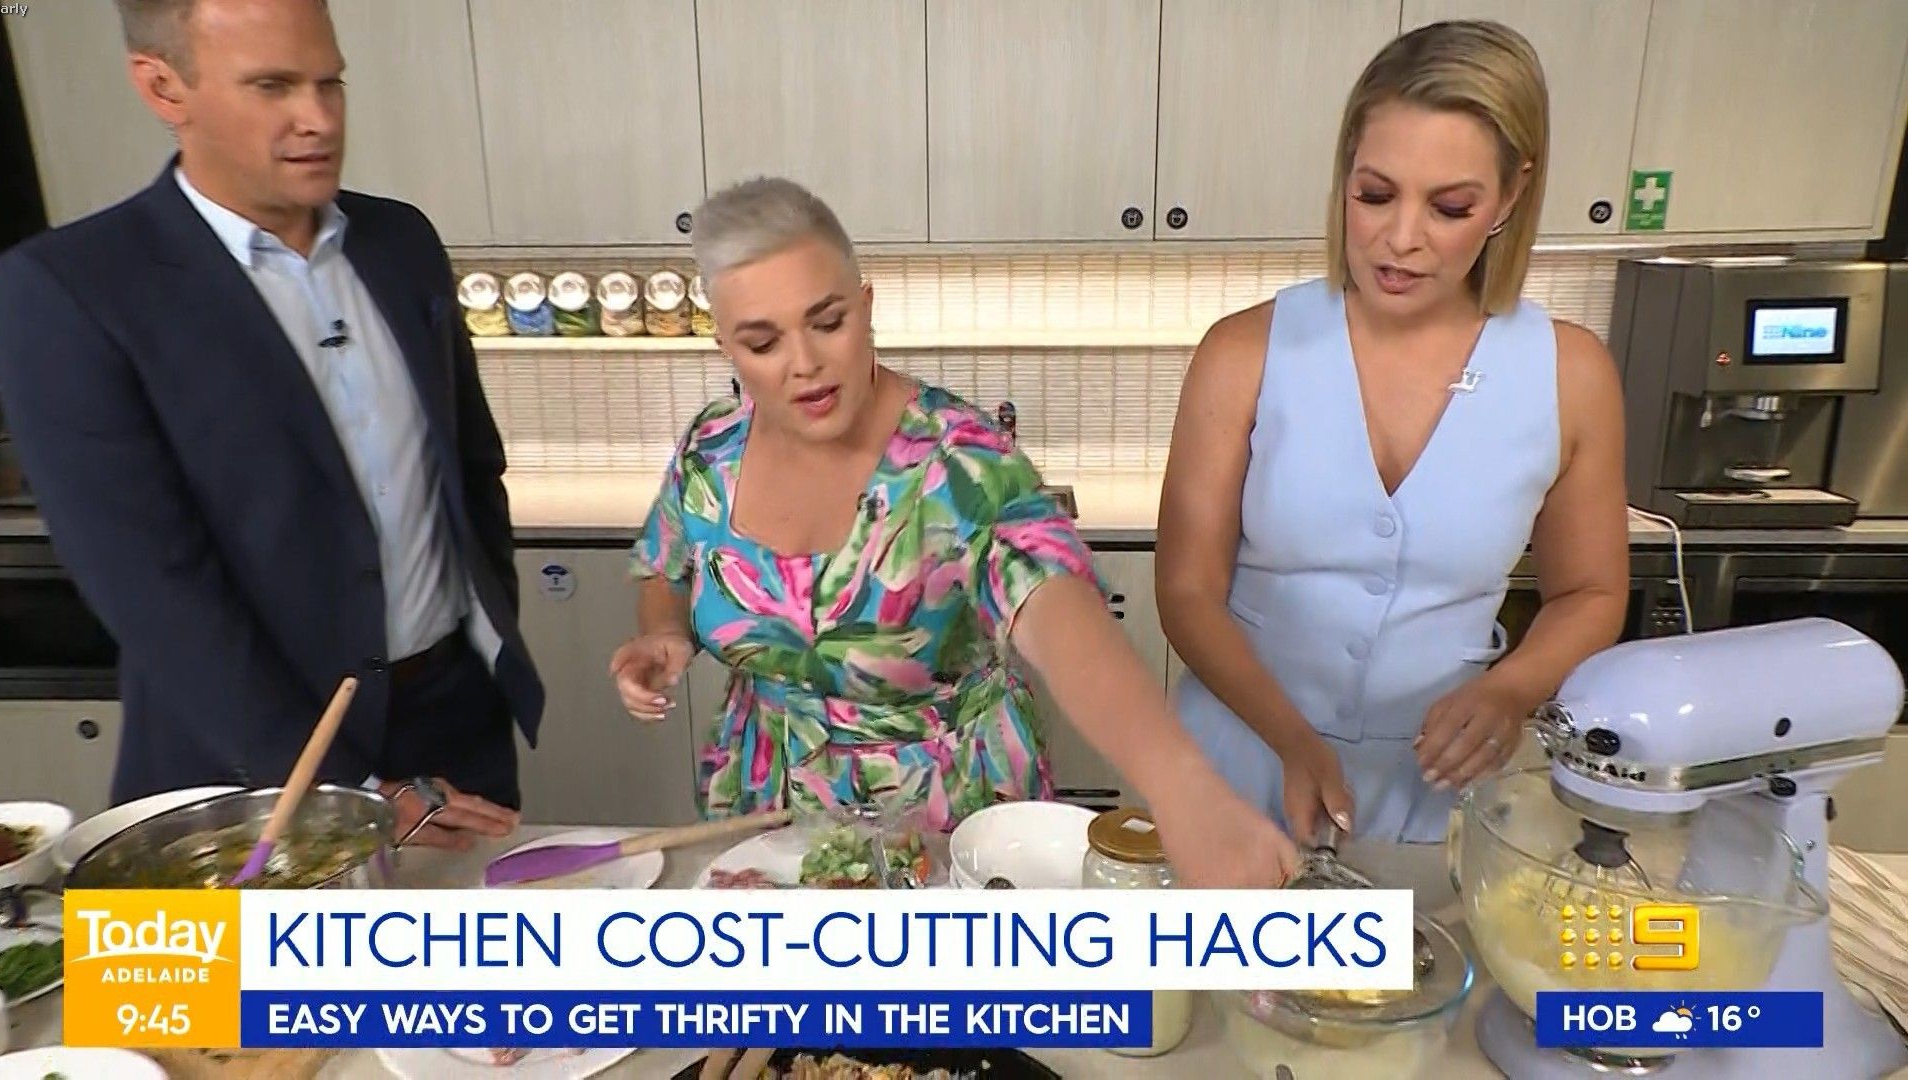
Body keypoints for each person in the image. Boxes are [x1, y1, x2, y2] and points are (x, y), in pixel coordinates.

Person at [610, 176, 1300, 888]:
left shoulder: (959, 460)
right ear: (726, 346)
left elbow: (1056, 609)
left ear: (866, 308)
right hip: (764, 820)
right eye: (763, 342)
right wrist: (662, 632)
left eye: (828, 322)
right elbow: (668, 565)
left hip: (945, 823)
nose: (805, 362)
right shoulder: (712, 450)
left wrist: (1181, 785)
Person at [0, 0, 538, 849]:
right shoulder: (70, 289)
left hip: (454, 739)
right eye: (273, 87)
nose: (318, 119)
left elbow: (470, 468)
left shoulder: (399, 241)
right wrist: (346, 792)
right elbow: (153, 593)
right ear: (163, 87)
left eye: (330, 83)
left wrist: (479, 649)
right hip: (243, 777)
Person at [1155, 20, 1629, 847]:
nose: (1401, 237)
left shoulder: (1571, 374)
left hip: (1436, 791)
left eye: (1450, 207)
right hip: (1231, 765)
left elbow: (1589, 594)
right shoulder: (1243, 353)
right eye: (1375, 194)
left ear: (1511, 196)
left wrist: (1511, 689)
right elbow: (1186, 591)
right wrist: (1290, 738)